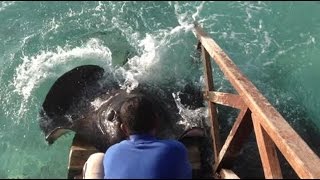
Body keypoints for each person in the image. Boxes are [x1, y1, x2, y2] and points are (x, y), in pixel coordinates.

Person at [82, 95, 192, 179]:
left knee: (96, 158)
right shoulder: (176, 148)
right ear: (157, 122)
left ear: (123, 128)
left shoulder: (112, 152)